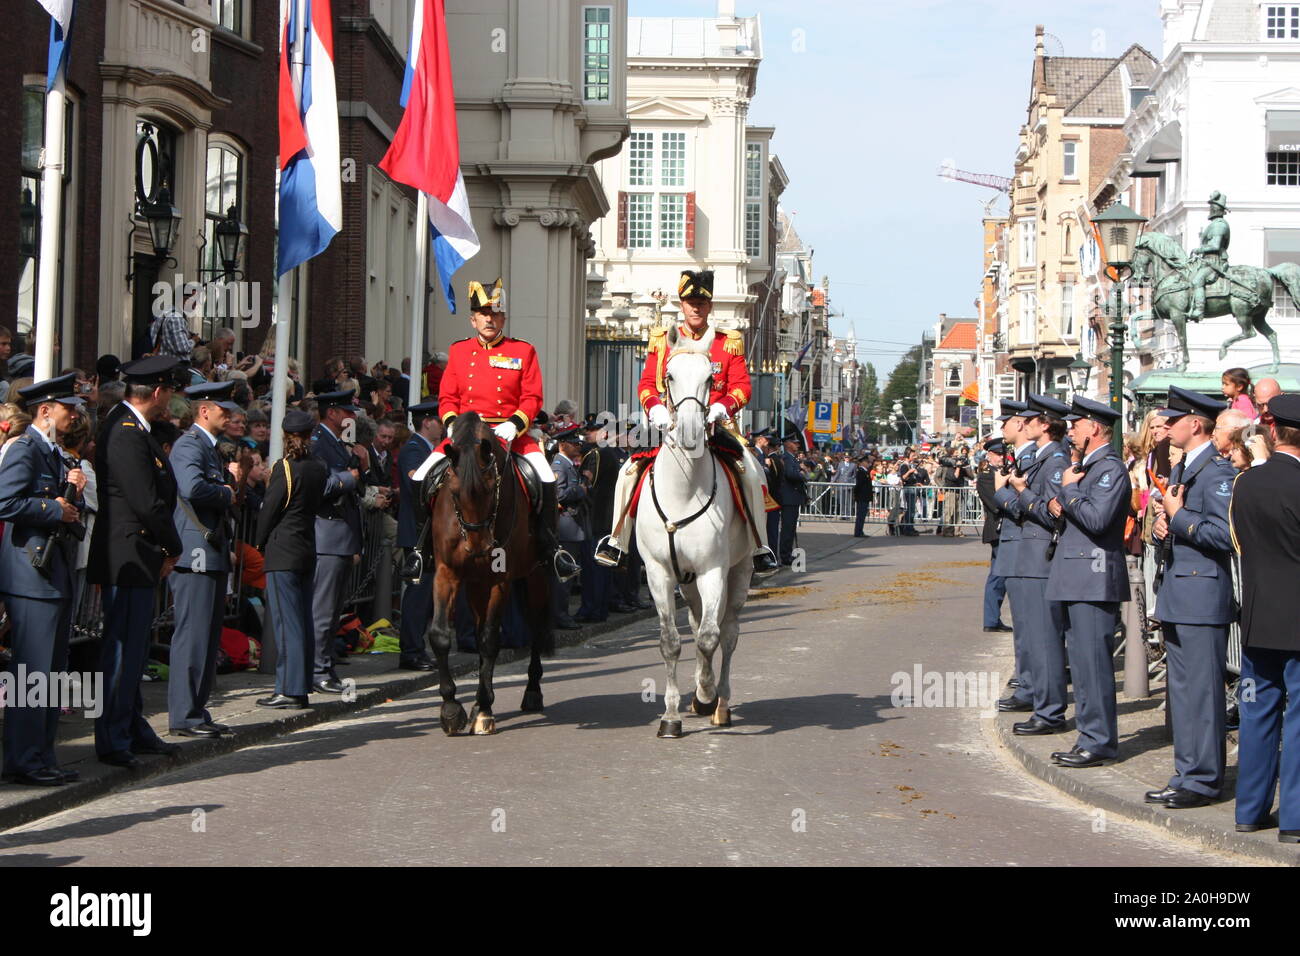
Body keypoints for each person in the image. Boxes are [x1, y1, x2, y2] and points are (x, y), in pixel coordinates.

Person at [594, 270, 779, 575]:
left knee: (749, 471)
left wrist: (723, 406)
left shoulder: (727, 342)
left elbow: (742, 386)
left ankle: (760, 545)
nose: (696, 308)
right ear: (681, 305)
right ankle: (617, 541)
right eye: (690, 302)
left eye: (701, 303)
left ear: (709, 306)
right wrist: (655, 408)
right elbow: (645, 385)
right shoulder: (664, 340)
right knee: (628, 472)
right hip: (669, 426)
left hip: (715, 427)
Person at [410, 277, 579, 581]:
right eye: (483, 314)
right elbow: (448, 397)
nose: (489, 319)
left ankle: (550, 548)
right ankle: (421, 549)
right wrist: (451, 425)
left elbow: (532, 396)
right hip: (464, 434)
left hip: (510, 434)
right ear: (473, 319)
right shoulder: (459, 352)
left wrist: (514, 425)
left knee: (544, 478)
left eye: (495, 313)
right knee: (421, 477)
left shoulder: (523, 351)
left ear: (503, 317)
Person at [90, 356, 186, 769]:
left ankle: (130, 726)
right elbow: (144, 500)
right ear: (159, 392)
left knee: (133, 648)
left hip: (137, 552)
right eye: (171, 393)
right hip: (127, 553)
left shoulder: (134, 429)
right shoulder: (126, 432)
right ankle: (112, 736)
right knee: (121, 649)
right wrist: (172, 545)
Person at [1144, 386, 1234, 808]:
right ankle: (1187, 772)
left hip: (1202, 594)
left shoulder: (1216, 472)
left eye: (1173, 420)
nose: (1166, 426)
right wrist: (1166, 527)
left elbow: (1226, 535)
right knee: (1181, 693)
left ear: (1195, 424)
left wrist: (1178, 519)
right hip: (1181, 591)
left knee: (1202, 692)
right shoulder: (1183, 468)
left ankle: (1204, 779)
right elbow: (1180, 524)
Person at [0, 374, 87, 785]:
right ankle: (23, 758)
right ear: (45, 411)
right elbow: (6, 501)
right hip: (32, 576)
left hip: (54, 574)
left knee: (50, 673)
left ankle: (42, 754)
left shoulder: (57, 455)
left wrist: (75, 496)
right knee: (32, 674)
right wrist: (54, 509)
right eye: (68, 407)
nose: (75, 414)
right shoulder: (26, 450)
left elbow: (66, 510)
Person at [1044, 395, 1131, 768]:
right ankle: (1089, 736)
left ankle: (1099, 742)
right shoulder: (1087, 468)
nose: (1072, 432)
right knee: (1081, 664)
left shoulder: (1110, 469)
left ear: (1094, 428)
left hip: (1093, 578)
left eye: (1077, 425)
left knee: (1094, 666)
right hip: (1078, 577)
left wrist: (1069, 490)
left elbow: (1098, 520)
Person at [1229, 392, 1300, 841]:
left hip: (1258, 618)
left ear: (1272, 431)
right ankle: (1294, 818)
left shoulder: (1246, 483)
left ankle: (1249, 810)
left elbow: (1240, 546)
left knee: (1257, 714)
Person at [166, 380, 244, 739]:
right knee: (193, 635)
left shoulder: (209, 448)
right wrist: (227, 490)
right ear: (204, 410)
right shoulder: (189, 446)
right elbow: (192, 489)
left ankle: (196, 708)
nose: (228, 416)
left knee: (207, 635)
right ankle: (184, 714)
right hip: (195, 551)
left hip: (209, 551)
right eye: (223, 410)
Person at [998, 394, 1071, 735]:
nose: (1022, 425)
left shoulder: (1055, 461)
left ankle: (1050, 710)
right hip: (1032, 555)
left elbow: (1051, 511)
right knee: (1035, 638)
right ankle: (1043, 705)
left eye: (1030, 420)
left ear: (1045, 424)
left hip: (1042, 556)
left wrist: (1020, 492)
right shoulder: (1046, 459)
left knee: (1044, 641)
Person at [255, 409, 328, 709]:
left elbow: (270, 509)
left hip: (283, 549)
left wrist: (259, 541)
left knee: (287, 623)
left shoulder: (285, 468)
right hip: (307, 547)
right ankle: (301, 682)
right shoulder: (318, 466)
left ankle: (289, 687)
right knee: (302, 620)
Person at [310, 389, 366, 694]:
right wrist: (350, 475)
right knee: (323, 609)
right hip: (327, 534)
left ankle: (325, 665)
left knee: (333, 610)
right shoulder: (318, 443)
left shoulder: (339, 443)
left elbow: (355, 482)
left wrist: (361, 467)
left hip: (341, 536)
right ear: (332, 413)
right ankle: (317, 669)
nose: (351, 418)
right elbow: (321, 485)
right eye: (347, 412)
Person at [395, 400, 441, 670]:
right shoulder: (414, 450)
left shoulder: (429, 450)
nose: (442, 426)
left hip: (427, 534)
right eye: (438, 420)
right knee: (417, 595)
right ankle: (411, 650)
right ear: (427, 422)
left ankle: (417, 648)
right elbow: (418, 484)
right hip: (417, 534)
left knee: (425, 596)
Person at [553, 426, 589, 628]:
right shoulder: (559, 465)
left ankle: (563, 613)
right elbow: (560, 495)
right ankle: (560, 616)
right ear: (563, 444)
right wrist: (581, 490)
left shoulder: (568, 464)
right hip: (566, 526)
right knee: (564, 576)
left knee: (570, 574)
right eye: (574, 443)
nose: (578, 446)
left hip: (573, 526)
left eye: (578, 442)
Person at [976, 437, 1010, 632]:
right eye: (998, 454)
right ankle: (991, 619)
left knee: (1001, 575)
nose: (1002, 458)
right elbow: (997, 504)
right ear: (989, 455)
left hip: (1004, 528)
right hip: (998, 527)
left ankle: (992, 619)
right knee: (998, 575)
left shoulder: (1001, 473)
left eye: (1003, 454)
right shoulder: (987, 476)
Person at [1188, 191, 1230, 321]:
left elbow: (1216, 246)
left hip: (1214, 262)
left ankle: (1199, 310)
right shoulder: (1213, 224)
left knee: (1197, 280)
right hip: (1206, 261)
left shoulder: (1219, 225)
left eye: (1212, 206)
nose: (1210, 209)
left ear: (1217, 209)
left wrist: (1199, 249)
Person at [777, 434, 808, 563]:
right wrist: (801, 474)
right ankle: (785, 556)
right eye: (795, 443)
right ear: (788, 444)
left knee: (791, 529)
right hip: (789, 498)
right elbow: (790, 474)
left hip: (793, 498)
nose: (797, 445)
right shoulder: (787, 458)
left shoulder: (792, 458)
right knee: (787, 528)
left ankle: (788, 554)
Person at [853, 452, 874, 537]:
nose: (868, 463)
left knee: (862, 515)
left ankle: (860, 531)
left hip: (864, 497)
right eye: (866, 462)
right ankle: (858, 532)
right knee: (860, 515)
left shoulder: (865, 471)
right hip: (862, 497)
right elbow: (859, 485)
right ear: (862, 463)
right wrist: (857, 495)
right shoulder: (861, 472)